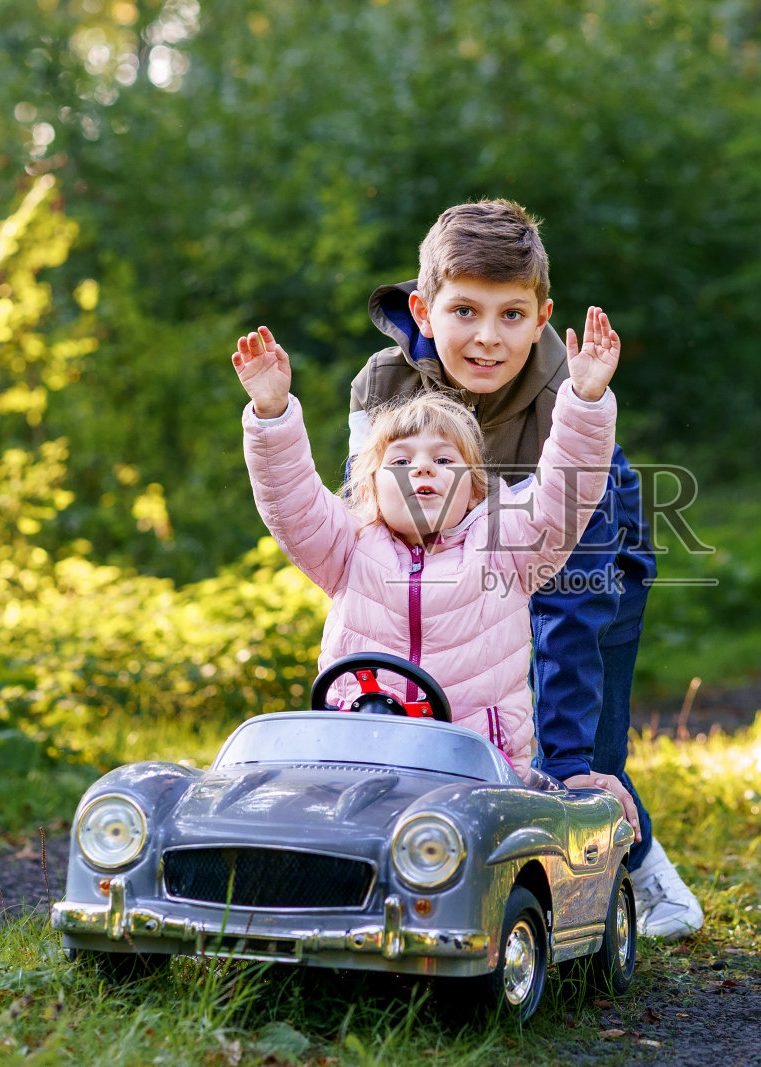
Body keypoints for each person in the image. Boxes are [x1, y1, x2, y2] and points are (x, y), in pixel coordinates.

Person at [344, 200, 703, 939]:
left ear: (541, 319)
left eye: (511, 315)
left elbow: (570, 610)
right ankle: (419, 867)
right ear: (424, 309)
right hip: (461, 551)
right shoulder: (382, 387)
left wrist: (566, 763)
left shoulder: (569, 392)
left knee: (582, 746)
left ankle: (647, 877)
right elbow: (370, 538)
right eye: (465, 311)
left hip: (591, 545)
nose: (487, 337)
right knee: (450, 714)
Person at [230, 318, 641, 835]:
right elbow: (291, 500)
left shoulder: (504, 547)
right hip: (357, 765)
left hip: (479, 779)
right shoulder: (347, 548)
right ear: (371, 488)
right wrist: (272, 414)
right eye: (401, 461)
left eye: (443, 460)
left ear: (474, 490)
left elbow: (563, 494)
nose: (422, 469)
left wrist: (584, 399)